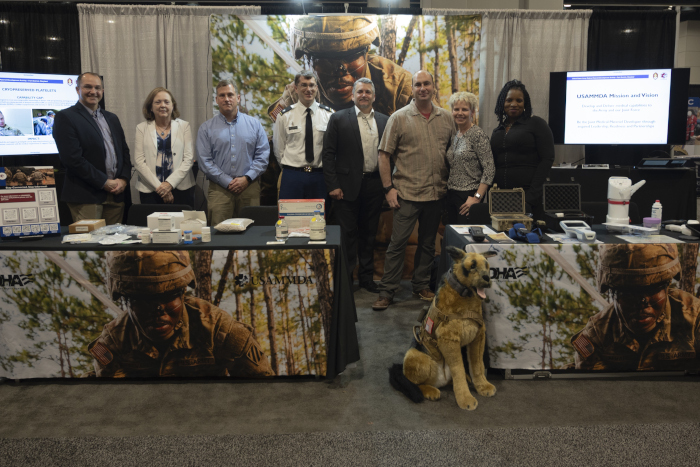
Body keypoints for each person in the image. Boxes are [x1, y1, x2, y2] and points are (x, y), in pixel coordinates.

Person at [88, 250, 274, 378]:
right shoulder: (113, 342)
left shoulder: (219, 329)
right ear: (126, 301)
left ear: (182, 294)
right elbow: (113, 400)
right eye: (144, 299)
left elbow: (261, 387)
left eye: (168, 297)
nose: (158, 310)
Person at [372, 70, 456, 311]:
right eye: (418, 84)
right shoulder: (398, 118)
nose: (422, 88)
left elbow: (452, 154)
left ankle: (420, 285)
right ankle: (387, 291)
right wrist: (388, 188)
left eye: (426, 83)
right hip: (406, 193)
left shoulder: (446, 118)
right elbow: (383, 155)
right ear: (412, 88)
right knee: (397, 244)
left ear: (433, 86)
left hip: (436, 193)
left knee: (428, 244)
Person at [571, 244, 700, 371]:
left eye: (651, 290)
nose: (641, 303)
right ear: (612, 293)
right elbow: (593, 387)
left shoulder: (694, 319)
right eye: (629, 292)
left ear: (667, 287)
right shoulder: (597, 333)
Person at [267, 16, 413, 120]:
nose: (339, 71)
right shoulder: (297, 97)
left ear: (366, 53)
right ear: (309, 62)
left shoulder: (398, 88)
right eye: (325, 60)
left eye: (350, 57)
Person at [323, 77, 389, 293]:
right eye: (359, 92)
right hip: (345, 188)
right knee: (348, 235)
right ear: (353, 96)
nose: (364, 95)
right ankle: (347, 279)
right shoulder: (339, 118)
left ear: (374, 96)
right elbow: (328, 153)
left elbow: (390, 155)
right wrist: (333, 184)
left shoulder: (384, 120)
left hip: (374, 186)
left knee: (369, 234)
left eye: (368, 92)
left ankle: (367, 279)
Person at [53, 72, 131, 224]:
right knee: (90, 245)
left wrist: (123, 179)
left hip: (116, 194)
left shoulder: (112, 118)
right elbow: (72, 159)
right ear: (77, 90)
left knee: (114, 245)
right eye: (87, 87)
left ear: (102, 91)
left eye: (98, 88)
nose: (93, 91)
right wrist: (104, 182)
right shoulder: (66, 117)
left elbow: (124, 153)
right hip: (86, 195)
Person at [197, 80, 270, 226]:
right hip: (219, 190)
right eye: (222, 95)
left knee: (251, 234)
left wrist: (247, 178)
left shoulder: (255, 125)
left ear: (238, 98)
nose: (226, 99)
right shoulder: (206, 128)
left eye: (230, 95)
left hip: (249, 187)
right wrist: (227, 181)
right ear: (216, 100)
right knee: (219, 237)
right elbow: (204, 161)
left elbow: (263, 156)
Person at [490, 80, 554, 220]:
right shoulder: (497, 130)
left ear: (525, 104)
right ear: (502, 103)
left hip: (527, 198)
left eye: (519, 100)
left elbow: (547, 159)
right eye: (509, 100)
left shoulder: (537, 124)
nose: (514, 104)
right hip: (500, 198)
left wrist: (530, 196)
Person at [274, 70, 334, 200]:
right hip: (293, 176)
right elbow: (279, 150)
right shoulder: (285, 116)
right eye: (304, 85)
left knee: (318, 219)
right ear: (296, 88)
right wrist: (292, 168)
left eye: (312, 85)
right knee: (290, 218)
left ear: (317, 88)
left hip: (320, 176)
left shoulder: (329, 115)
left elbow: (332, 149)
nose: (308, 89)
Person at [133, 87, 195, 207]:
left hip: (180, 189)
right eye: (157, 102)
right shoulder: (141, 128)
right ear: (151, 107)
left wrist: (169, 184)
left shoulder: (184, 126)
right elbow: (139, 162)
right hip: (151, 190)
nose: (163, 105)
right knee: (152, 225)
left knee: (180, 225)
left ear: (172, 106)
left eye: (167, 102)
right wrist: (161, 188)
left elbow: (188, 159)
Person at [445, 92, 495, 225]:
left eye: (464, 109)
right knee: (452, 238)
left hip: (468, 197)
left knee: (466, 239)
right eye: (456, 109)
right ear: (452, 112)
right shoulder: (455, 135)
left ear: (472, 112)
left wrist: (477, 198)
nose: (460, 113)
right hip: (452, 195)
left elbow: (489, 169)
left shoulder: (477, 134)